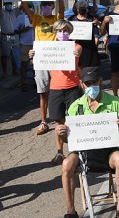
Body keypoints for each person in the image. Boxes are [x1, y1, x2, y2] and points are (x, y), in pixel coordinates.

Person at [55, 67, 119, 218]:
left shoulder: (113, 101)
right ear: (82, 85)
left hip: (107, 151)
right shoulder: (75, 106)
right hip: (83, 152)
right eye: (88, 83)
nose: (92, 86)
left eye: (95, 82)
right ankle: (71, 213)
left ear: (100, 81)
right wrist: (61, 133)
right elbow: (68, 138)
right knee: (66, 165)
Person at [31, 20, 82, 165]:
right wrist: (34, 54)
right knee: (58, 121)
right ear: (55, 33)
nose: (62, 34)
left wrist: (76, 53)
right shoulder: (48, 48)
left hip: (72, 87)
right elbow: (39, 58)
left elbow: (78, 52)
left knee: (74, 120)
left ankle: (76, 151)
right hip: (55, 88)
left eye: (65, 31)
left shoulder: (76, 46)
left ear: (70, 32)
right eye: (59, 31)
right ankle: (59, 152)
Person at [20, 0, 64, 134]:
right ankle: (44, 122)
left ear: (52, 6)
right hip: (41, 59)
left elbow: (62, 10)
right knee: (42, 91)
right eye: (44, 4)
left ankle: (61, 118)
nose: (46, 7)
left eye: (48, 5)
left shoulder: (57, 19)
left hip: (55, 58)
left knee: (59, 89)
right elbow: (25, 8)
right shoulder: (36, 19)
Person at [68, 0, 101, 69]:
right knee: (78, 70)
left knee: (90, 73)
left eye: (84, 8)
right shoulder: (72, 19)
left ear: (86, 8)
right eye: (80, 8)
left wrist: (98, 24)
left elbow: (101, 30)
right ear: (77, 8)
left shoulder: (91, 18)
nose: (82, 9)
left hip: (90, 49)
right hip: (76, 48)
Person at [15, 4, 35, 91]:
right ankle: (23, 82)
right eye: (28, 7)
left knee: (36, 65)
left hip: (35, 43)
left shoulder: (36, 17)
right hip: (24, 43)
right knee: (24, 64)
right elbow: (15, 30)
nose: (30, 9)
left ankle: (36, 82)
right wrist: (23, 29)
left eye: (31, 7)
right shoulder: (20, 17)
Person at [0, 1, 20, 78]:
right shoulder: (2, 13)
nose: (8, 5)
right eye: (7, 4)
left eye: (10, 4)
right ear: (4, 5)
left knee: (15, 54)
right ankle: (4, 72)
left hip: (15, 36)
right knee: (4, 55)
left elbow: (21, 6)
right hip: (5, 36)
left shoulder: (15, 11)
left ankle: (15, 70)